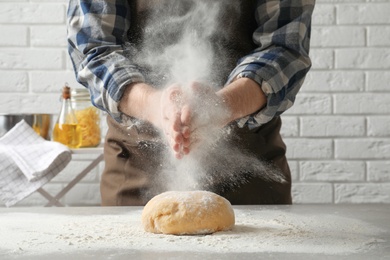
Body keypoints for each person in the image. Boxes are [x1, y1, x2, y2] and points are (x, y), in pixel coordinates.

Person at [67, 0, 315, 206]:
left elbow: (284, 47)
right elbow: (95, 48)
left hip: (251, 171)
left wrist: (223, 105)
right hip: (136, 167)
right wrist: (153, 104)